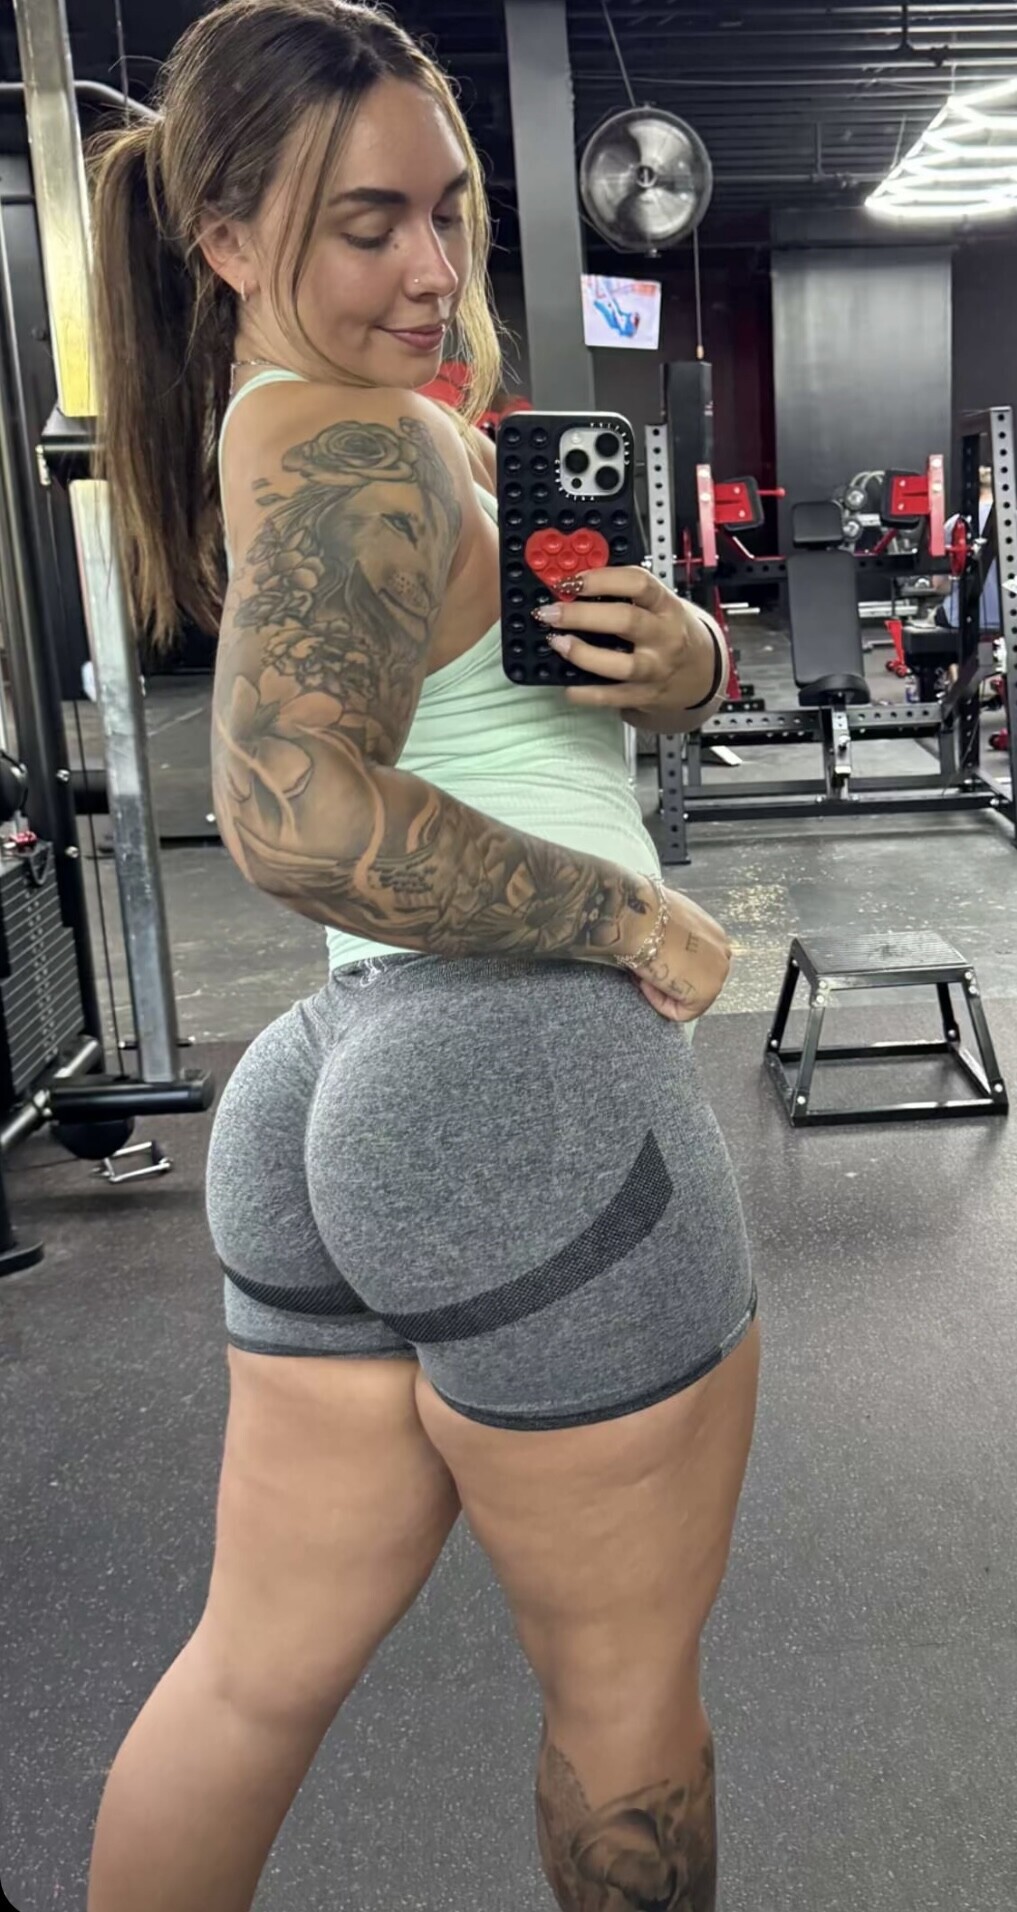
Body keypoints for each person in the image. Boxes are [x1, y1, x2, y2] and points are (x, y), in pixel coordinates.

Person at [86, 3, 761, 1907]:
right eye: (363, 223)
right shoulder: (357, 440)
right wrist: (633, 914)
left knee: (251, 1676)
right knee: (624, 1701)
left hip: (339, 1080)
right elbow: (297, 814)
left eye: (446, 210)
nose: (431, 266)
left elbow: (527, 710)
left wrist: (687, 662)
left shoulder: (356, 423)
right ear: (227, 239)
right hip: (519, 1082)